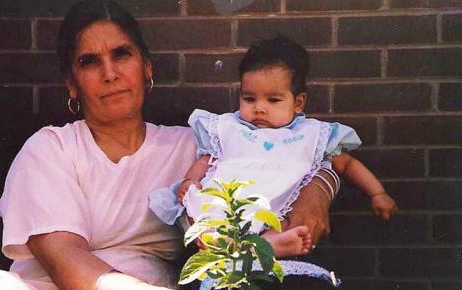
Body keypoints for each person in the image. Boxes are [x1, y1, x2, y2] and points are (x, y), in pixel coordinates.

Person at [0, 2, 337, 290]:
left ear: (146, 68)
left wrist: (321, 185)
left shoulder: (194, 150)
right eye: (89, 62)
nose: (110, 72)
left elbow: (289, 152)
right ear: (72, 85)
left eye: (122, 54)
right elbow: (65, 259)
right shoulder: (51, 149)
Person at [150, 35, 397, 260]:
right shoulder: (230, 127)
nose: (259, 108)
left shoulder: (310, 134)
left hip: (275, 196)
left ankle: (269, 243)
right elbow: (207, 158)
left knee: (276, 221)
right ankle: (245, 245)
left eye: (273, 100)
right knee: (197, 221)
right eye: (249, 98)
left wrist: (377, 192)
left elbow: (347, 163)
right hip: (228, 198)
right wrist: (190, 181)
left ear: (298, 102)